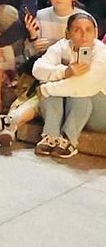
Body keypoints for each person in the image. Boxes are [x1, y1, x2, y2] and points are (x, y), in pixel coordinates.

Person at [33, 9, 106, 158]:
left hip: (99, 111)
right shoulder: (61, 46)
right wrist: (65, 72)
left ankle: (69, 139)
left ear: (95, 33)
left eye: (88, 30)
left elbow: (86, 84)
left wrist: (47, 89)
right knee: (57, 83)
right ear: (68, 34)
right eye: (77, 30)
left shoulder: (102, 52)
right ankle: (50, 136)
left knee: (79, 92)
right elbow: (38, 69)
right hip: (73, 108)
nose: (84, 35)